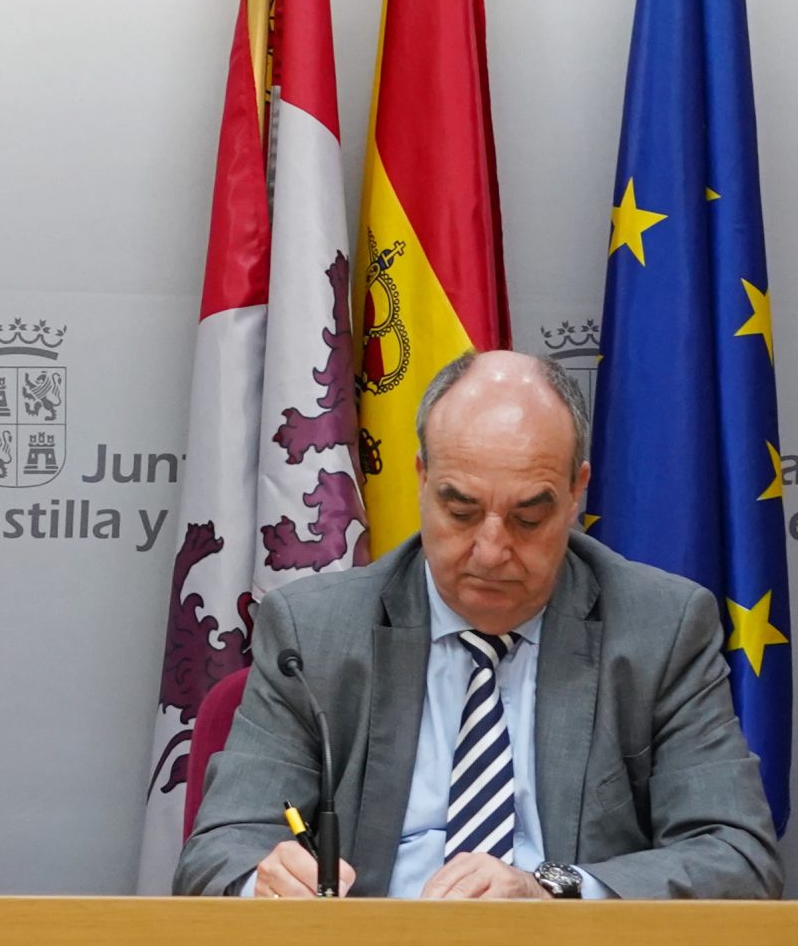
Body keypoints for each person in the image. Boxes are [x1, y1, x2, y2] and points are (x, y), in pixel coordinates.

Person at [178, 349, 781, 900]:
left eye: (528, 518)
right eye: (461, 511)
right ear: (420, 480)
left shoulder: (660, 629)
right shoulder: (313, 632)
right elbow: (218, 853)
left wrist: (553, 891)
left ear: (576, 493)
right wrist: (265, 881)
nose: (490, 552)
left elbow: (737, 859)